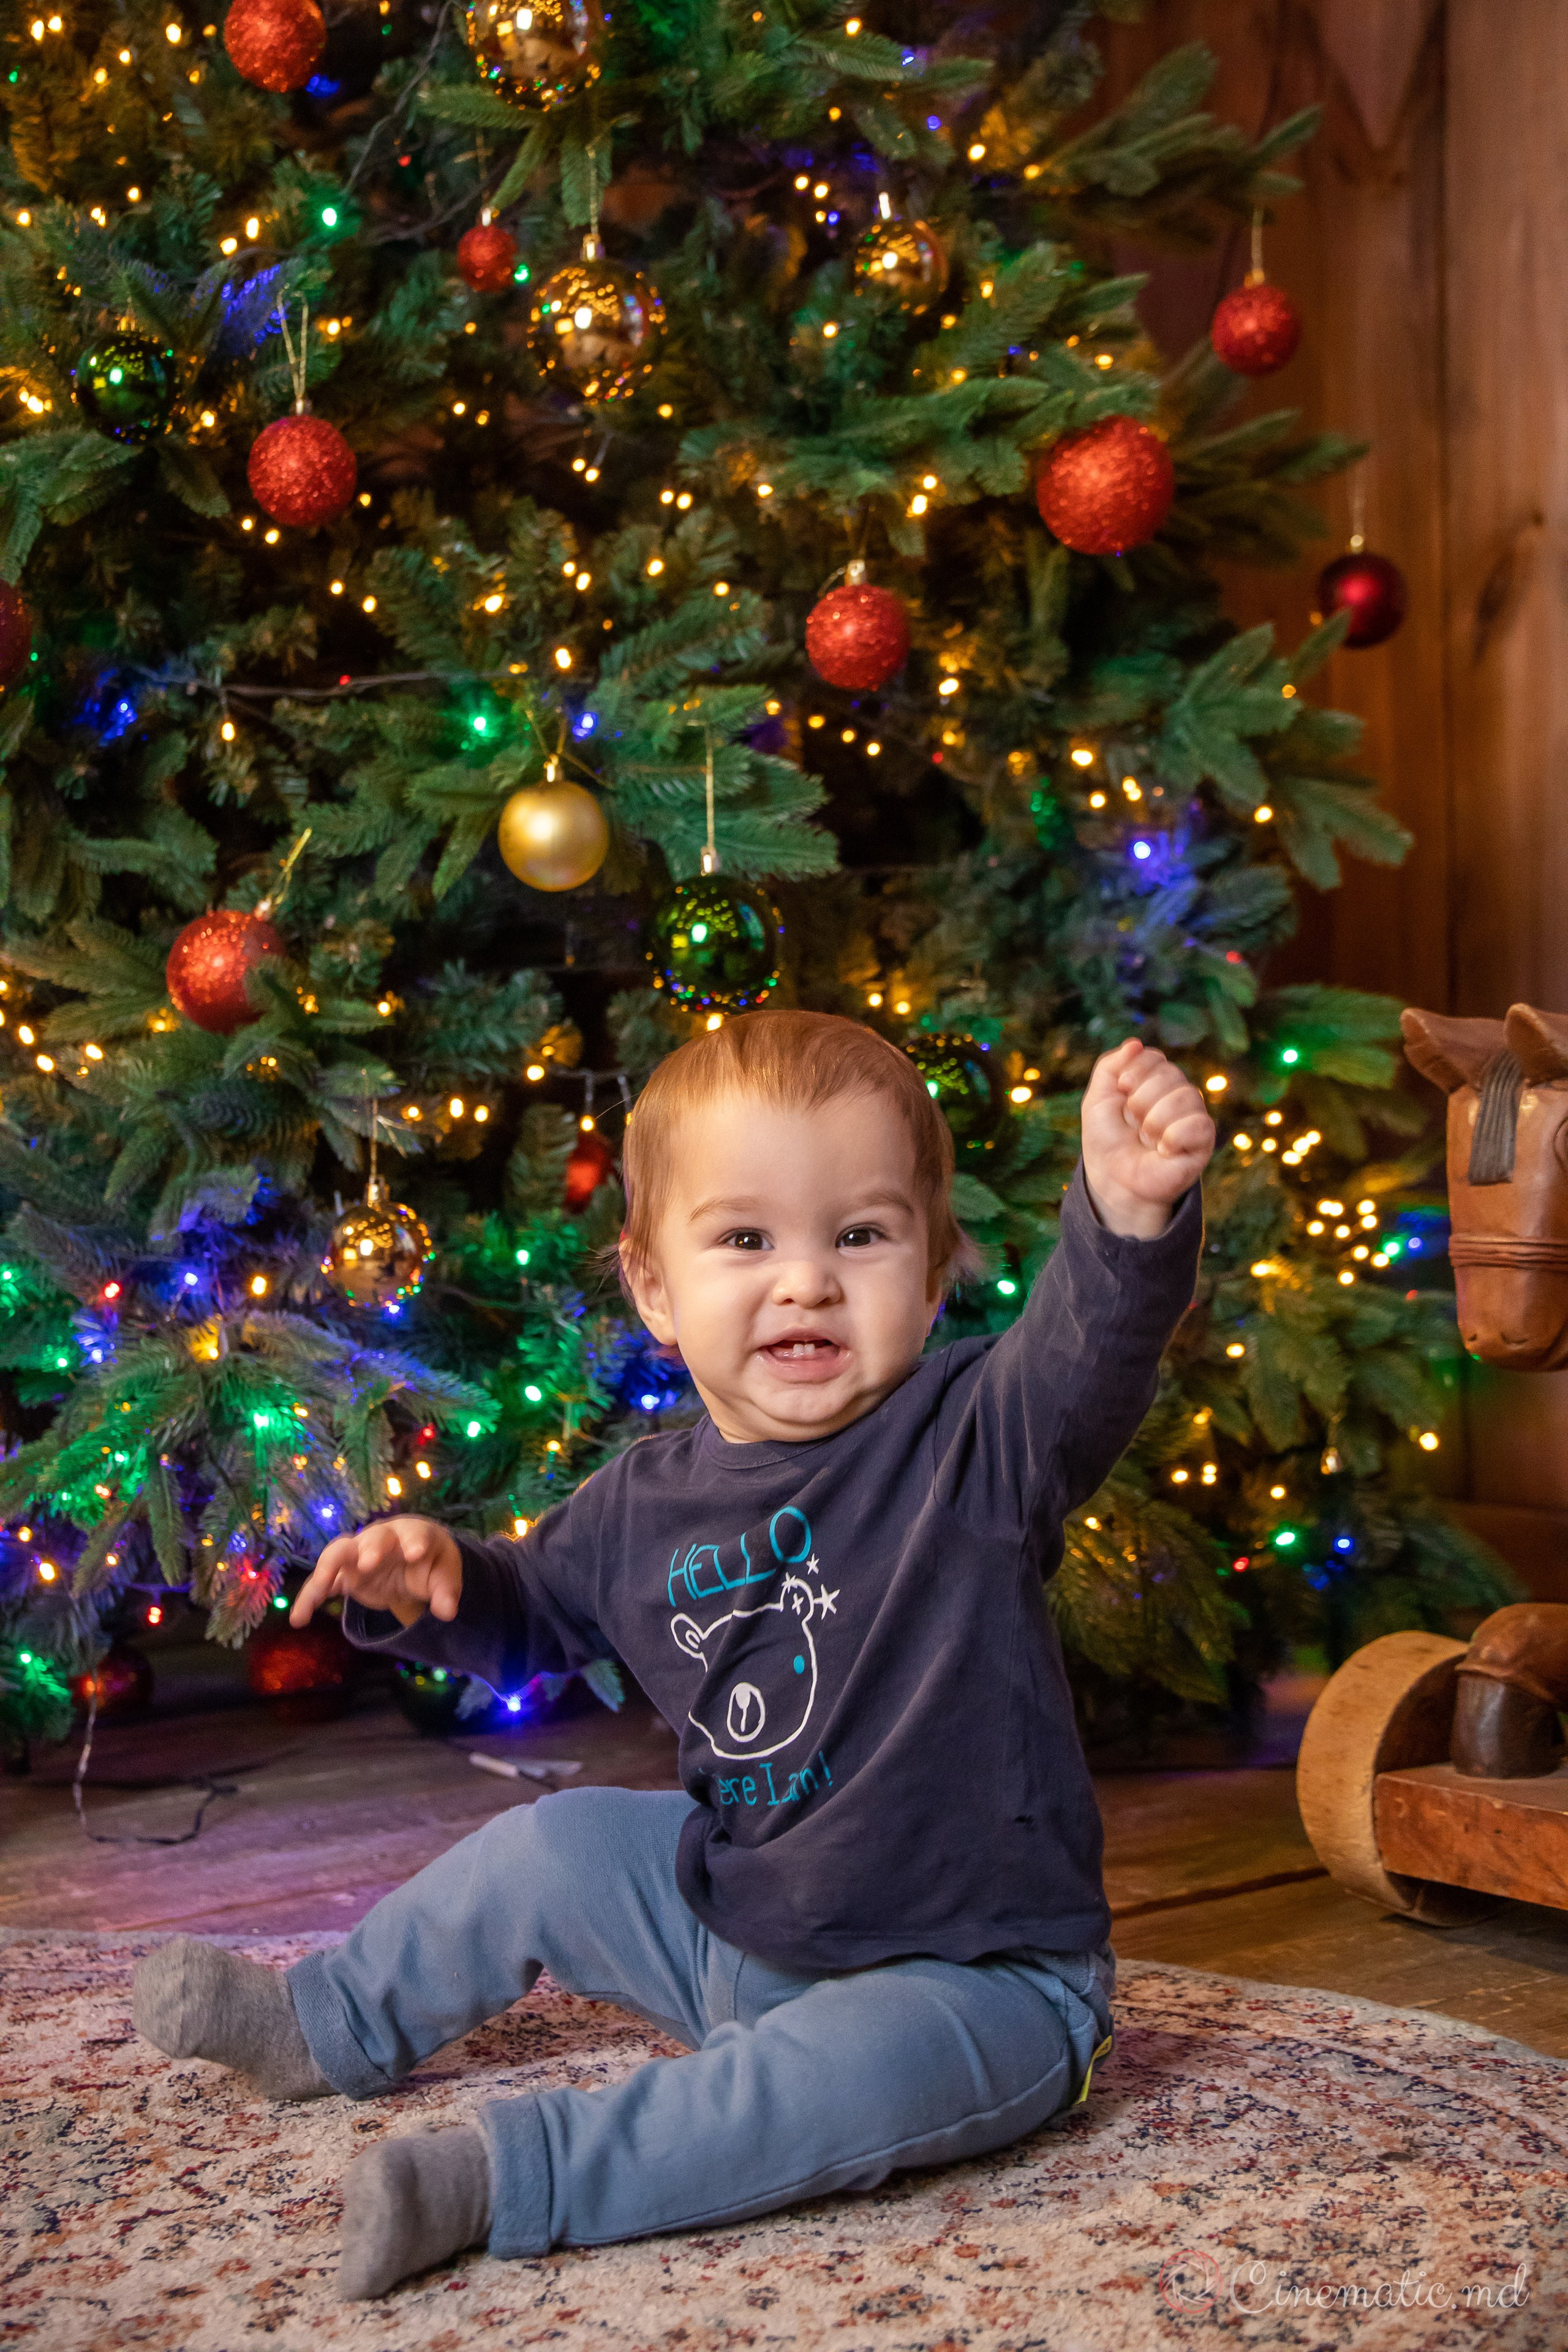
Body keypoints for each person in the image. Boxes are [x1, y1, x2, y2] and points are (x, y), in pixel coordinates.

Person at [132, 1009, 1214, 2301]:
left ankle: (508, 2177)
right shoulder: (645, 1501)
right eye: (746, 1239)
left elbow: (1086, 1356)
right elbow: (533, 1609)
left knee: (819, 2093)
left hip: (974, 1979)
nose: (804, 1281)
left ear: (930, 1279)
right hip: (733, 1921)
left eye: (858, 1237)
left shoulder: (976, 1438)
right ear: (655, 1288)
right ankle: (326, 2020)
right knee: (549, 1845)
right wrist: (443, 1586)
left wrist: (1126, 1217)